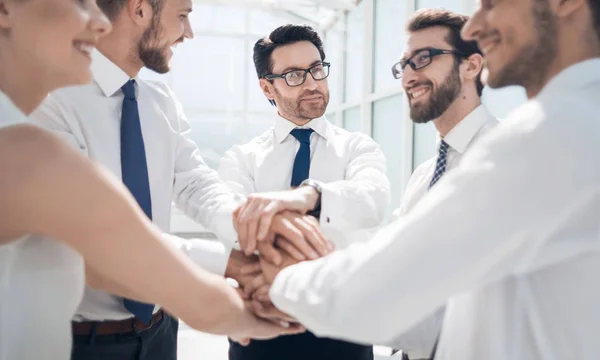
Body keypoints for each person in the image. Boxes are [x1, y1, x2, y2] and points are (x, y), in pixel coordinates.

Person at [258, 1, 600, 360]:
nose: (474, 29)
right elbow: (442, 306)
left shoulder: (546, 137)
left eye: (492, 3)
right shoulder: (428, 174)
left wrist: (276, 281)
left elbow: (383, 287)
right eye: (404, 64)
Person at [0, 0, 301, 359]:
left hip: (159, 329)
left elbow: (191, 181)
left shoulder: (161, 101)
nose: (99, 22)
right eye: (183, 16)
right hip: (84, 339)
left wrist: (248, 224)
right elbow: (106, 248)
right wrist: (238, 276)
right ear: (140, 10)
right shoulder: (38, 123)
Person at [219, 24, 390, 360]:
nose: (312, 83)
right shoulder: (242, 159)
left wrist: (308, 195)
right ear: (267, 87)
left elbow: (373, 199)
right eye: (295, 75)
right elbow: (231, 226)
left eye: (316, 69)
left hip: (343, 328)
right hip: (261, 325)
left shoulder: (357, 147)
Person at [386, 9, 498, 360]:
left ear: (471, 65)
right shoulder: (423, 175)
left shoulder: (504, 158)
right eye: (403, 65)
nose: (408, 76)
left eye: (423, 58)